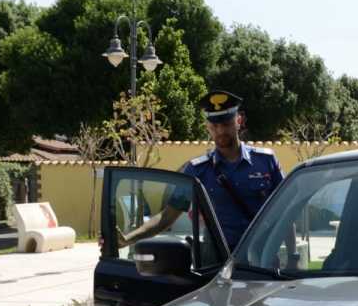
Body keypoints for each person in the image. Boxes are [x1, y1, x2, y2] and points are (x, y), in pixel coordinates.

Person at [119, 90, 293, 261]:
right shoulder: (197, 170)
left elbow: (286, 212)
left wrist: (293, 257)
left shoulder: (266, 161)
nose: (220, 131)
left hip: (260, 258)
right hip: (216, 260)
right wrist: (128, 239)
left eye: (226, 124)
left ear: (238, 121)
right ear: (207, 127)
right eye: (215, 126)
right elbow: (167, 217)